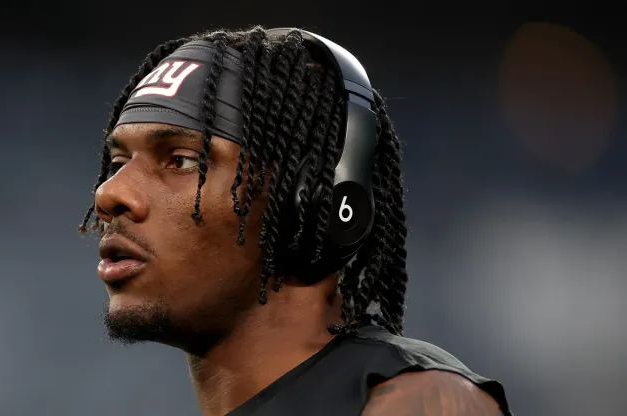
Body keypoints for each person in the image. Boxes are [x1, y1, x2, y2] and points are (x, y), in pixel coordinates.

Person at [78, 26, 512, 416]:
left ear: (309, 201)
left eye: (182, 160)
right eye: (117, 161)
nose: (109, 193)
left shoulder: (417, 404)